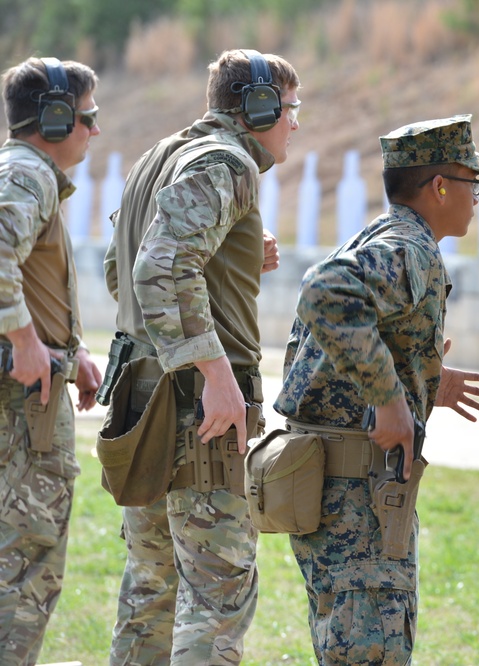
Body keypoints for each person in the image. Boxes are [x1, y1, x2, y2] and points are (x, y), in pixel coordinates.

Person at [273, 114, 479, 665]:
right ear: (440, 186)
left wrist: (421, 381)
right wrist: (389, 398)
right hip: (357, 497)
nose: (477, 197)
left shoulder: (384, 235)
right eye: (473, 183)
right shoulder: (409, 248)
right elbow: (325, 292)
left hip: (340, 487)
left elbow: (335, 338)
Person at [103, 49, 298, 664]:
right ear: (260, 106)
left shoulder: (156, 158)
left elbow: (120, 272)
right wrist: (215, 374)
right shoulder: (227, 163)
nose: (296, 122)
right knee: (218, 592)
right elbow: (158, 266)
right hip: (199, 409)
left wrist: (229, 259)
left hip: (143, 395)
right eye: (291, 108)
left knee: (150, 588)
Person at [0, 56, 103, 666]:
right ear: (58, 120)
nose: (96, 130)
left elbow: (32, 278)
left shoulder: (29, 175)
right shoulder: (27, 176)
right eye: (89, 117)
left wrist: (74, 348)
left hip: (26, 400)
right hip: (21, 412)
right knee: (25, 571)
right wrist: (23, 342)